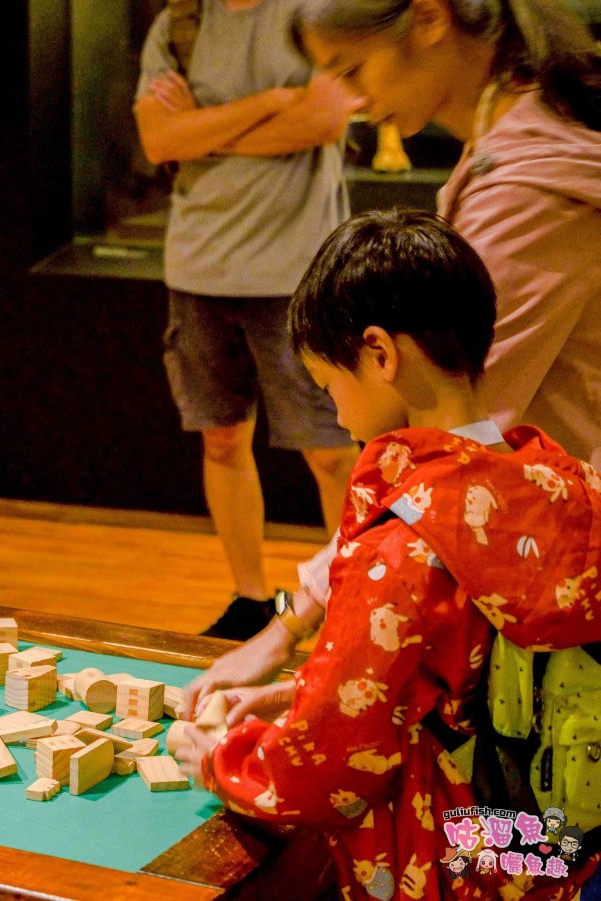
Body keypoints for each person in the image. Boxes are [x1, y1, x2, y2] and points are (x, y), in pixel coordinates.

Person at [186, 0, 601, 708]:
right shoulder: (513, 139)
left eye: (354, 68)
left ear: (432, 18)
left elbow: (451, 438)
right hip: (550, 544)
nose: (353, 100)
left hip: (563, 563)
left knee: (537, 804)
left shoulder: (525, 181)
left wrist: (291, 630)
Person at [177, 209, 601, 900]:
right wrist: (293, 692)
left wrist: (221, 759)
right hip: (545, 848)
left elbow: (325, 773)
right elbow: (464, 686)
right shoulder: (563, 487)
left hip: (446, 861)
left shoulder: (404, 540)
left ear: (380, 353)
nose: (338, 411)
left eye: (329, 383)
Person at [134, 0, 362, 639]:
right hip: (198, 268)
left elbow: (323, 122)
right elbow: (159, 140)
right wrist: (273, 103)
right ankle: (251, 597)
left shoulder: (315, 15)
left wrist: (202, 129)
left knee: (332, 452)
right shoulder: (180, 24)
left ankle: (352, 605)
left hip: (297, 272)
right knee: (222, 438)